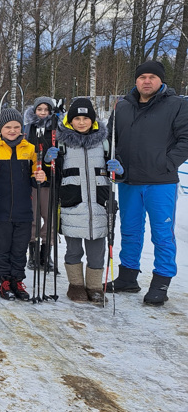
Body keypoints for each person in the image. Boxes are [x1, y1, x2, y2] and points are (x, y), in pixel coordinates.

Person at [110, 60, 188, 305]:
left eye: (152, 77)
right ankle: (127, 277)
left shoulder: (177, 106)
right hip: (129, 180)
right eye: (142, 77)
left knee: (162, 234)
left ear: (161, 80)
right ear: (136, 80)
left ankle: (161, 283)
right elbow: (110, 140)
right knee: (130, 231)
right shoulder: (122, 107)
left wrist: (167, 163)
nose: (146, 81)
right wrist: (114, 161)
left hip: (160, 181)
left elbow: (185, 140)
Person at [47, 98, 116, 304]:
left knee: (97, 251)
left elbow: (116, 173)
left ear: (93, 120)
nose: (82, 122)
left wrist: (118, 169)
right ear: (70, 120)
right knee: (74, 249)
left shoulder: (105, 143)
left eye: (86, 118)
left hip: (99, 206)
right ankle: (75, 285)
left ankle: (95, 287)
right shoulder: (62, 143)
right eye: (77, 118)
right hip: (72, 205)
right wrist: (48, 160)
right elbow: (53, 174)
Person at [0, 109, 47, 300]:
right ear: (1, 129)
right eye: (8, 127)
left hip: (23, 210)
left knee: (19, 248)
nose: (12, 130)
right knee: (1, 248)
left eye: (16, 127)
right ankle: (3, 281)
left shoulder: (30, 149)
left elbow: (35, 177)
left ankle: (17, 280)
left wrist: (40, 176)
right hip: (0, 209)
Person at [24, 96, 58, 271]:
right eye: (40, 109)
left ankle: (46, 254)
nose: (43, 113)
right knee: (34, 217)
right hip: (33, 178)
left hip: (50, 180)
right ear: (35, 110)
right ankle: (33, 253)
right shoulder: (28, 128)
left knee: (49, 217)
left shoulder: (56, 128)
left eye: (46, 110)